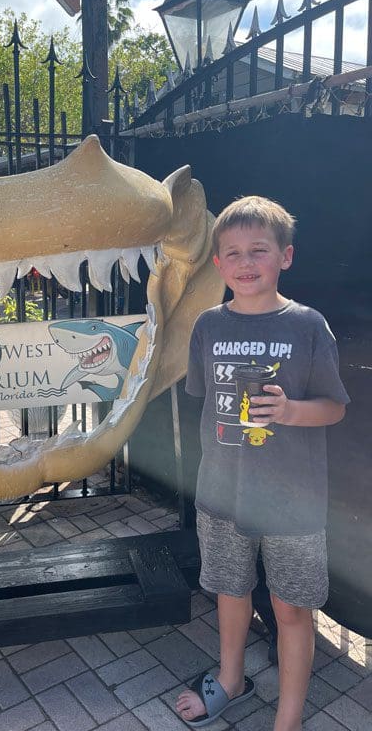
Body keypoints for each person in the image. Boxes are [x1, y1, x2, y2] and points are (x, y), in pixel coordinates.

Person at [175, 196, 349, 731]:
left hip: (294, 501)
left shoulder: (308, 325)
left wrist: (292, 410)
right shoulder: (206, 325)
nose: (246, 262)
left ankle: (288, 718)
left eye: (259, 250)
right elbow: (207, 400)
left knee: (292, 608)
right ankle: (230, 680)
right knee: (230, 590)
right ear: (218, 264)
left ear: (286, 256)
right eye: (233, 252)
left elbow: (335, 408)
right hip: (222, 492)